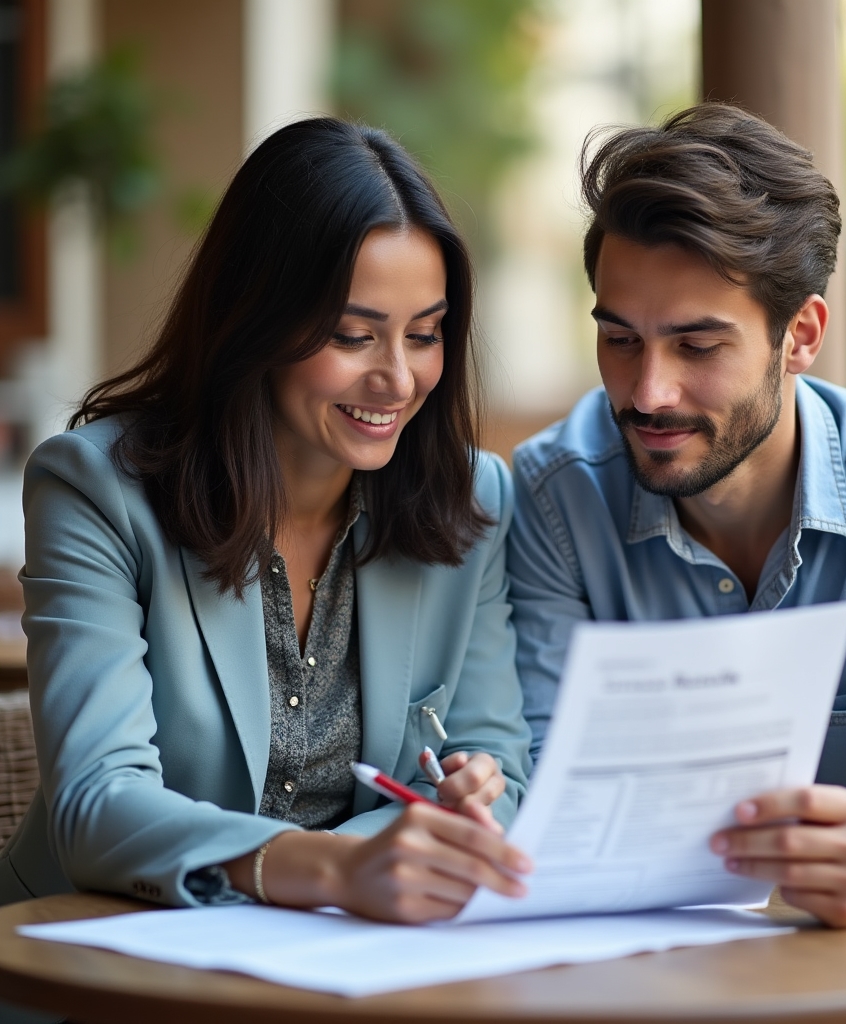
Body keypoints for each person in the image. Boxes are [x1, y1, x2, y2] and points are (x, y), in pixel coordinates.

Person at [0, 118, 533, 924]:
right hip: (107, 955)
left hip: (351, 958)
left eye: (425, 335)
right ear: (257, 318)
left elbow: (499, 771)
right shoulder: (96, 488)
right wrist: (336, 868)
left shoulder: (472, 501)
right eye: (354, 336)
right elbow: (98, 807)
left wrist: (454, 808)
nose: (397, 378)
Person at [509, 103, 846, 927]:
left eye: (697, 346)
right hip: (620, 959)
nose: (648, 393)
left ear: (801, 334)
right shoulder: (553, 494)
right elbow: (533, 779)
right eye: (621, 340)